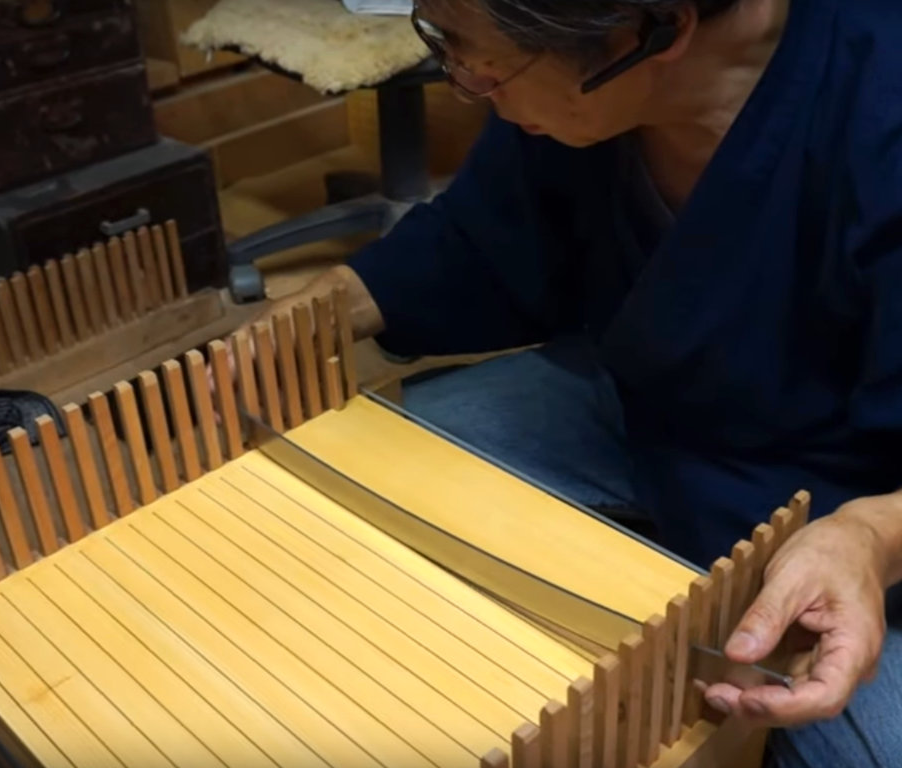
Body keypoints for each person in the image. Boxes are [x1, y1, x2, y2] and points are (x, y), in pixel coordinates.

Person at [246, 0, 902, 764]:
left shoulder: (880, 111)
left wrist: (873, 538)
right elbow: (486, 238)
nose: (465, 84)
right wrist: (332, 303)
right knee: (373, 475)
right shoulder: (581, 77)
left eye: (482, 65)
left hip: (851, 514)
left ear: (652, 31)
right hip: (648, 400)